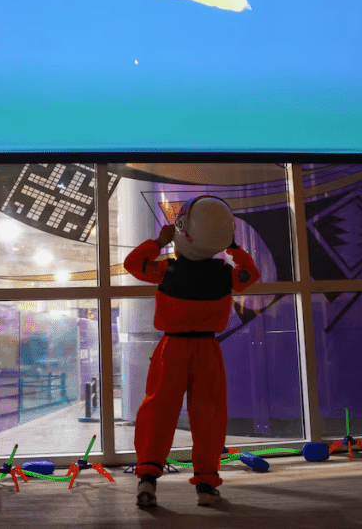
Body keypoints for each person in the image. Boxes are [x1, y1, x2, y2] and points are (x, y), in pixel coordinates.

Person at [123, 196, 259, 509]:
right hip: (207, 349)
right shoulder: (227, 275)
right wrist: (234, 247)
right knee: (209, 415)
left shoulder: (165, 270)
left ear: (183, 228)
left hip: (171, 347)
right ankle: (207, 485)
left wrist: (158, 241)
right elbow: (250, 273)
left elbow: (133, 265)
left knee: (157, 410)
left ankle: (147, 478)